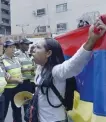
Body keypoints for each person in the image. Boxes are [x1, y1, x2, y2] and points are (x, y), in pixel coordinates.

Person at [30, 19, 106, 122]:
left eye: (38, 47)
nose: (33, 49)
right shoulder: (40, 69)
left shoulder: (56, 72)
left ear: (48, 53)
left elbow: (74, 64)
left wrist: (91, 40)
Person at [1, 40, 23, 122]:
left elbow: (19, 71)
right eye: (10, 47)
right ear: (5, 48)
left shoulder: (16, 59)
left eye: (13, 47)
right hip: (7, 90)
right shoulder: (1, 61)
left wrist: (19, 77)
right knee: (3, 111)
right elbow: (5, 77)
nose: (13, 49)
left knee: (17, 110)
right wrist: (18, 80)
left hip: (17, 88)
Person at [15, 39, 36, 114]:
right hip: (20, 83)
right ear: (20, 45)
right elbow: (18, 69)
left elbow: (32, 68)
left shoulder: (27, 54)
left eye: (28, 44)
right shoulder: (16, 55)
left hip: (28, 82)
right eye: (26, 44)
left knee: (28, 104)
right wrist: (30, 69)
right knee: (18, 105)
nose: (28, 46)